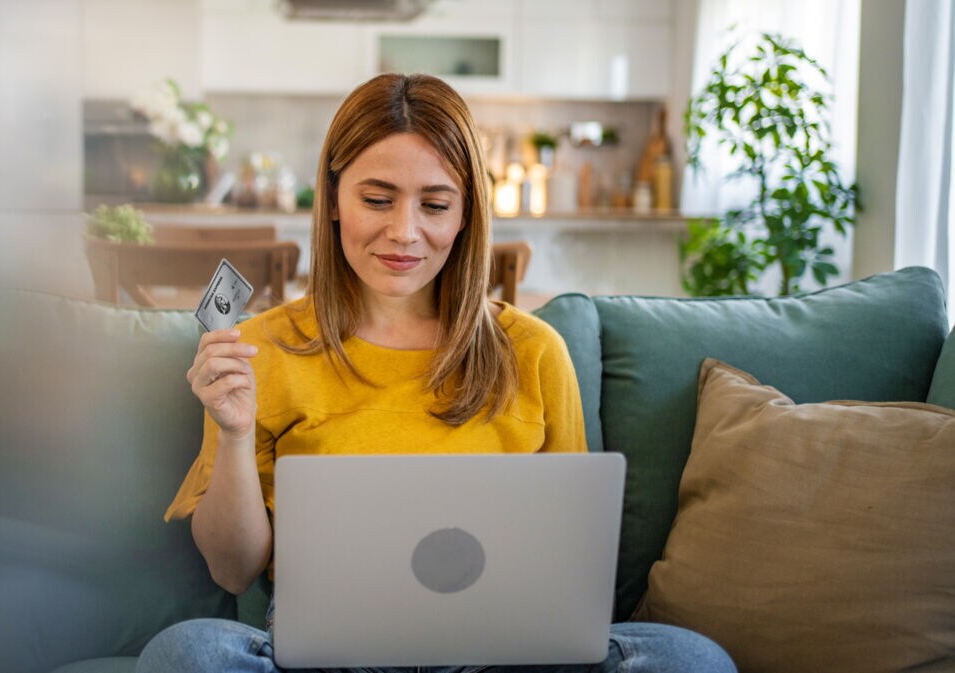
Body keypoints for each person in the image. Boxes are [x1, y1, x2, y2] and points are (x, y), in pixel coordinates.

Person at [136, 73, 736, 673]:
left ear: (467, 214)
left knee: (693, 659)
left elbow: (571, 570)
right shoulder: (259, 348)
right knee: (185, 654)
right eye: (376, 199)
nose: (405, 231)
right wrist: (236, 433)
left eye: (435, 204)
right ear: (334, 199)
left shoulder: (533, 351)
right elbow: (232, 569)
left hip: (501, 654)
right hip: (327, 656)